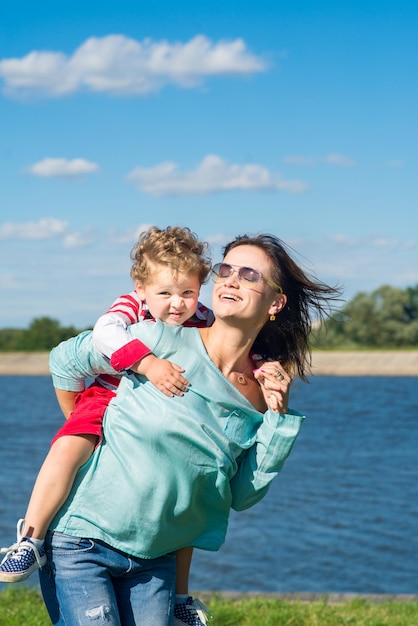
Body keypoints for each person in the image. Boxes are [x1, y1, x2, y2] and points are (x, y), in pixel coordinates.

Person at [38, 233, 340, 626]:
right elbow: (65, 361)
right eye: (226, 269)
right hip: (82, 539)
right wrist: (90, 430)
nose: (231, 279)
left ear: (276, 303)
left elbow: (242, 494)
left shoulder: (263, 389)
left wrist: (278, 417)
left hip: (159, 556)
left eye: (248, 274)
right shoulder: (152, 337)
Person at [0, 226, 214, 621]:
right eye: (165, 292)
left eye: (188, 292)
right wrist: (148, 363)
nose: (177, 304)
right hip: (110, 394)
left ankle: (180, 598)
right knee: (67, 447)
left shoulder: (204, 319)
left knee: (190, 490)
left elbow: (223, 349)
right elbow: (104, 333)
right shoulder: (132, 307)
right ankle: (33, 539)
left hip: (162, 413)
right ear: (141, 286)